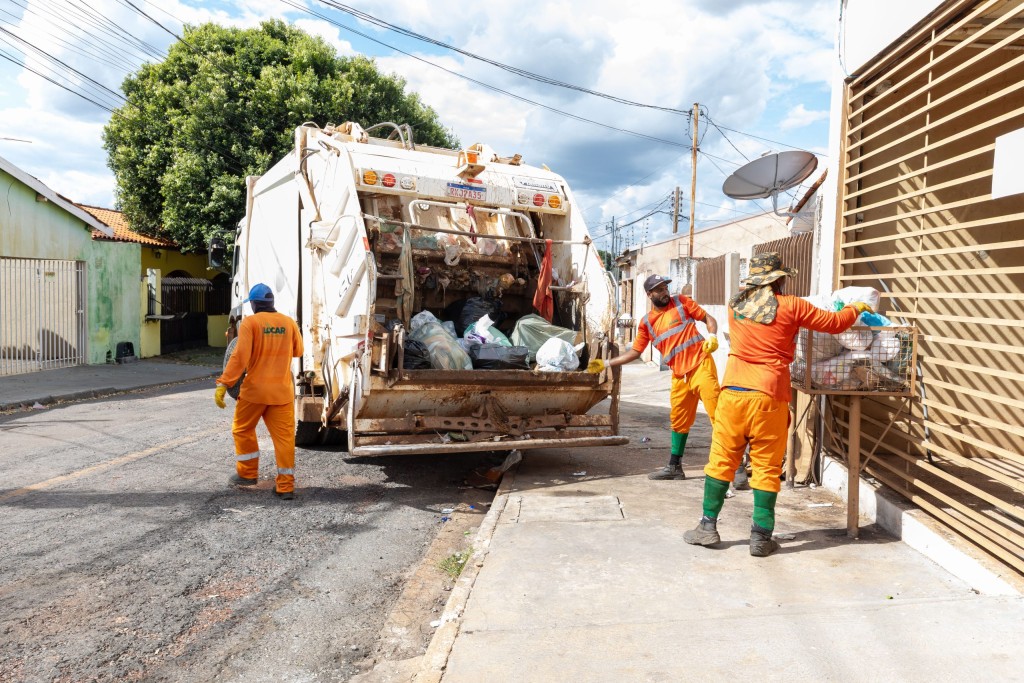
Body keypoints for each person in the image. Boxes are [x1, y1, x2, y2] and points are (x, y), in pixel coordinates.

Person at [683, 252, 872, 556]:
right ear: (779, 279)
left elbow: (758, 310)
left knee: (721, 461)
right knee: (766, 466)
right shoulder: (792, 306)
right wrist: (855, 308)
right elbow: (835, 323)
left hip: (732, 394)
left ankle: (707, 527)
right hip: (769, 394)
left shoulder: (734, 305)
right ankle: (760, 537)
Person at [588, 273, 720, 480]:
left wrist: (712, 335)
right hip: (679, 374)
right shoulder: (646, 323)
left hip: (700, 364)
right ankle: (675, 467)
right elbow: (635, 352)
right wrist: (606, 363)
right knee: (678, 421)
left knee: (718, 414)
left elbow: (708, 319)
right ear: (650, 294)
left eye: (665, 288)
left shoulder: (681, 303)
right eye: (659, 290)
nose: (665, 292)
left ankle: (737, 466)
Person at [215, 283, 304, 500]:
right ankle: (286, 486)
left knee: (242, 429)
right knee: (284, 439)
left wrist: (224, 383)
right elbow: (298, 351)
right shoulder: (289, 323)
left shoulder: (251, 323)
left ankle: (247, 474)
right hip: (281, 393)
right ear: (271, 302)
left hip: (254, 392)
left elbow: (239, 356)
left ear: (254, 304)